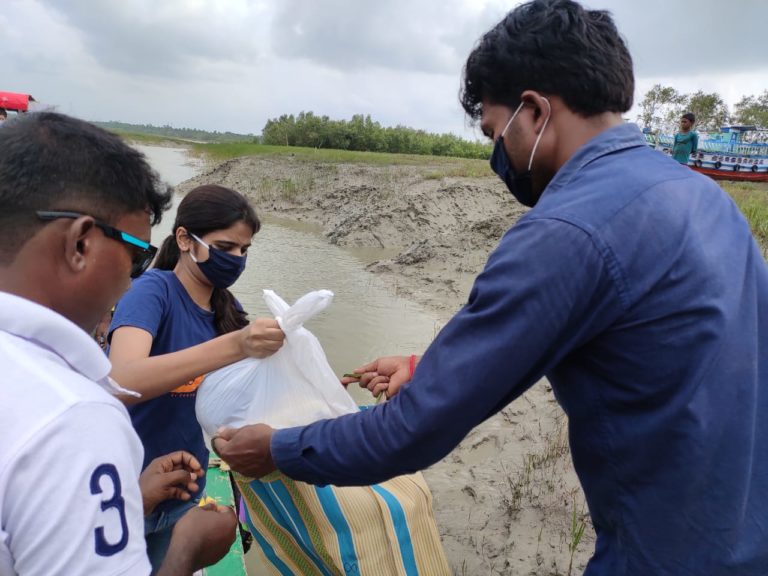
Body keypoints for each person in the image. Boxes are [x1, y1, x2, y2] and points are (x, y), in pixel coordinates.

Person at [211, 1, 768, 574]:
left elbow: (412, 432)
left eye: (494, 132)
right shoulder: (705, 199)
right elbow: (632, 344)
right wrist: (424, 367)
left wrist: (275, 448)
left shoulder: (564, 231)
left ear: (533, 111)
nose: (496, 153)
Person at [0, 111, 237, 575]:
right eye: (134, 254)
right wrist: (185, 551)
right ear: (80, 244)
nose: (132, 281)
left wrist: (131, 495)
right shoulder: (74, 421)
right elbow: (124, 379)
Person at [107, 183, 285, 572]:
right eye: (225, 248)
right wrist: (236, 346)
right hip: (129, 491)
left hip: (186, 490)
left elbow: (231, 399)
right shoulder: (153, 292)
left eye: (244, 250)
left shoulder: (227, 308)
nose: (236, 259)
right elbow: (120, 381)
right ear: (185, 240)